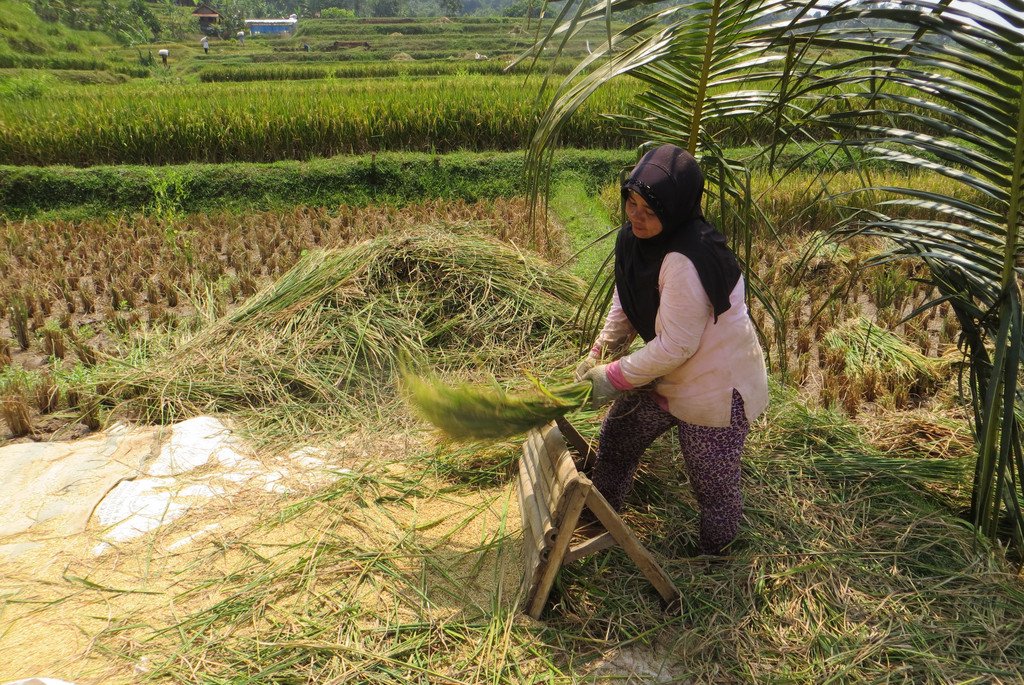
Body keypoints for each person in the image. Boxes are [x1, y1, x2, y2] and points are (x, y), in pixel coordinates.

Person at [576, 144, 769, 556]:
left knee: (711, 479)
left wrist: (611, 377)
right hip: (666, 372)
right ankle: (599, 518)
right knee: (619, 438)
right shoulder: (636, 238)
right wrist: (600, 350)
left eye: (650, 209)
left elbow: (677, 345)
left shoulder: (686, 259)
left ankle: (716, 558)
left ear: (677, 208)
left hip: (712, 383)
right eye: (632, 202)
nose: (637, 216)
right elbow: (626, 296)